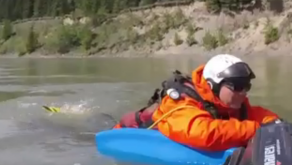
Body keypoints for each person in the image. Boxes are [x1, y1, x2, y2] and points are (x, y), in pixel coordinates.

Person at [113, 54, 279, 152]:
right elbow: (202, 133)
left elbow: (259, 116)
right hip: (126, 132)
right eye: (237, 86)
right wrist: (257, 130)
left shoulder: (231, 101)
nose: (243, 92)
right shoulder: (181, 102)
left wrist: (279, 127)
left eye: (246, 86)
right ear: (213, 85)